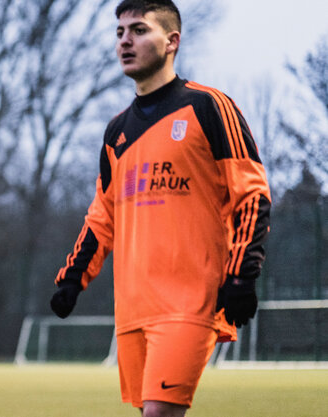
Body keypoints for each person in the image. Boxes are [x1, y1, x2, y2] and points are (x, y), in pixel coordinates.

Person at [50, 1, 271, 416]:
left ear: (172, 41)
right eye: (119, 33)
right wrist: (73, 278)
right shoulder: (116, 132)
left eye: (138, 30)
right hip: (133, 305)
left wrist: (241, 275)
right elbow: (103, 217)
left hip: (191, 299)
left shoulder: (208, 106)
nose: (125, 41)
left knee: (160, 412)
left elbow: (252, 194)